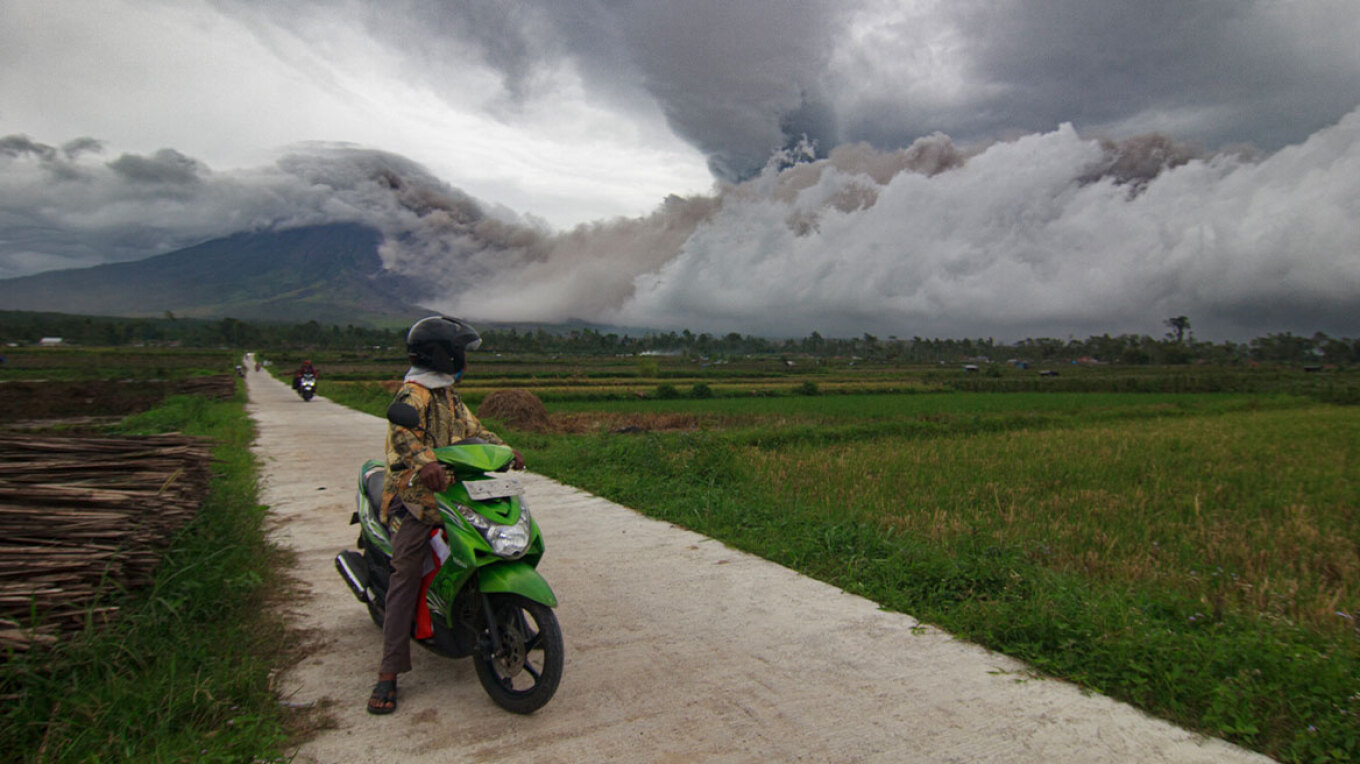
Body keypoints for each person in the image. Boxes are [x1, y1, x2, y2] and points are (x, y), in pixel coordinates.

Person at [367, 315, 524, 715]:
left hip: (452, 491)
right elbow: (403, 433)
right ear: (445, 354)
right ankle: (388, 673)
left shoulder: (449, 395)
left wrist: (506, 450)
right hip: (414, 496)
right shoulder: (414, 394)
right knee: (406, 571)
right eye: (461, 353)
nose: (465, 361)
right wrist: (424, 462)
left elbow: (476, 430)